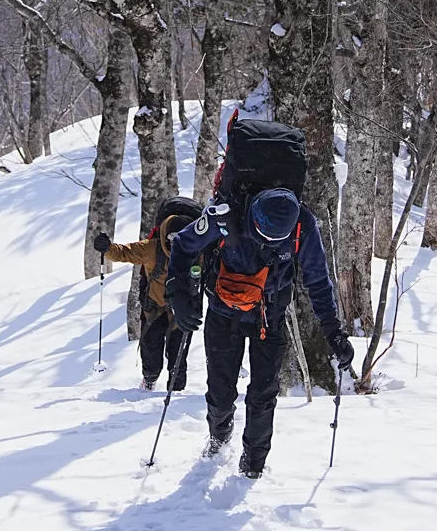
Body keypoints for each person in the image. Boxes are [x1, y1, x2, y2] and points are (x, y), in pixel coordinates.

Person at [165, 181, 354, 479]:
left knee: (263, 394)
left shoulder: (303, 224)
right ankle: (219, 436)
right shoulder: (225, 214)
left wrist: (334, 332)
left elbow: (318, 280)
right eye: (262, 236)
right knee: (221, 391)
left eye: (275, 240)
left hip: (270, 316)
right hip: (223, 313)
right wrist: (177, 293)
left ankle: (252, 466)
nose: (267, 243)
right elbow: (183, 244)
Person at [94, 196, 200, 390]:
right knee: (151, 356)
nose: (175, 244)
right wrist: (107, 248)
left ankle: (175, 394)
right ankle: (149, 382)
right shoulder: (151, 248)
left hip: (183, 311)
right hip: (154, 309)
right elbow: (123, 252)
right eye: (171, 238)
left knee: (178, 358)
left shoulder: (199, 251)